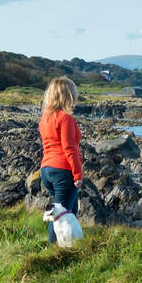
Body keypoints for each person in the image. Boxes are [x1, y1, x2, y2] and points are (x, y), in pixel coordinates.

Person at [38, 76, 83, 244]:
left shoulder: (45, 118)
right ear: (69, 95)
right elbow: (69, 148)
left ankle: (71, 245)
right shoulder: (66, 118)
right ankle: (55, 250)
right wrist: (78, 174)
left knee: (69, 210)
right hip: (63, 170)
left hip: (46, 170)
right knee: (60, 215)